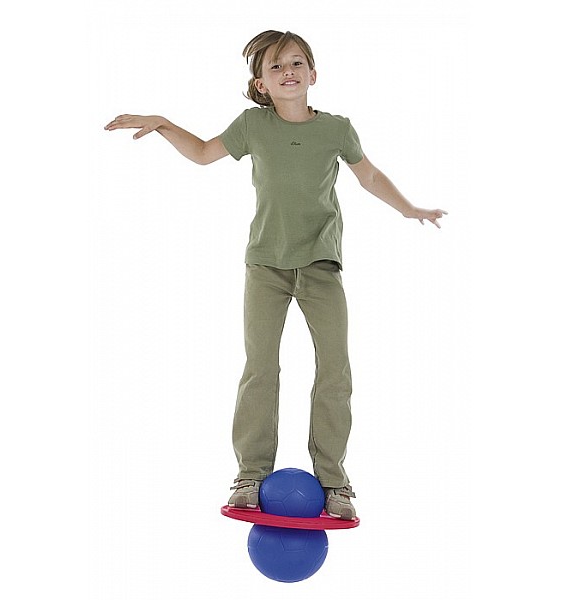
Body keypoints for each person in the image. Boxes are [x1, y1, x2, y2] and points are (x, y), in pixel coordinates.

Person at [104, 30, 446, 520]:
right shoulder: (253, 125)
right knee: (260, 369)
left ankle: (335, 481)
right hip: (266, 264)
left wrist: (409, 208)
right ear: (261, 84)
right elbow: (202, 153)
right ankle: (250, 474)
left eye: (296, 62)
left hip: (322, 264)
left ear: (313, 74)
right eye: (276, 66)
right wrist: (162, 123)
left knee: (335, 371)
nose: (288, 71)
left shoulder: (337, 129)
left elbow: (368, 176)